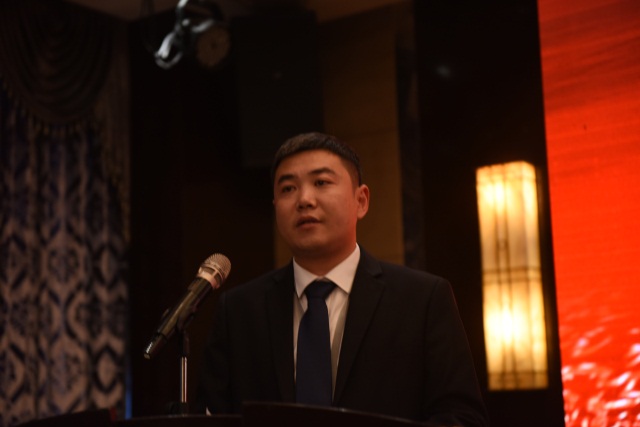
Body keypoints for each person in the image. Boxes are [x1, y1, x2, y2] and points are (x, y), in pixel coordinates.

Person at [196, 132, 488, 426]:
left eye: (321, 182)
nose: (304, 200)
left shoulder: (422, 299)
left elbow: (462, 418)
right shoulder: (240, 311)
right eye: (288, 188)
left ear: (361, 201)